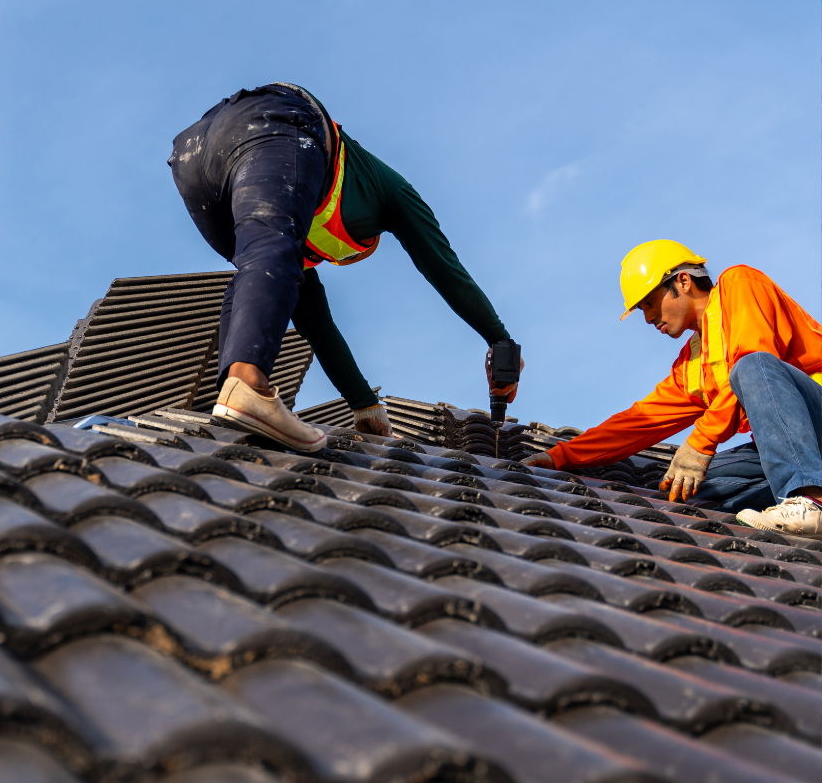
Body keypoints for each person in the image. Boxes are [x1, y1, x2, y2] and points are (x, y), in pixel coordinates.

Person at [168, 82, 520, 452]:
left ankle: (232, 398)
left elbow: (317, 324)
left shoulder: (296, 224)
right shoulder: (390, 191)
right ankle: (247, 383)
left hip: (194, 157)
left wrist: (364, 404)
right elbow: (444, 267)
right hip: (276, 121)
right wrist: (499, 340)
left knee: (255, 274)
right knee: (274, 253)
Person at [523, 240, 822, 538]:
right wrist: (560, 456)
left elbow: (753, 359)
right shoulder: (693, 365)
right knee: (689, 487)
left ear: (683, 281)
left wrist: (702, 440)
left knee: (752, 367)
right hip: (805, 452)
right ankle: (790, 504)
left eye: (650, 303)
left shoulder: (740, 284)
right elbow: (639, 422)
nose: (648, 318)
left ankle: (811, 500)